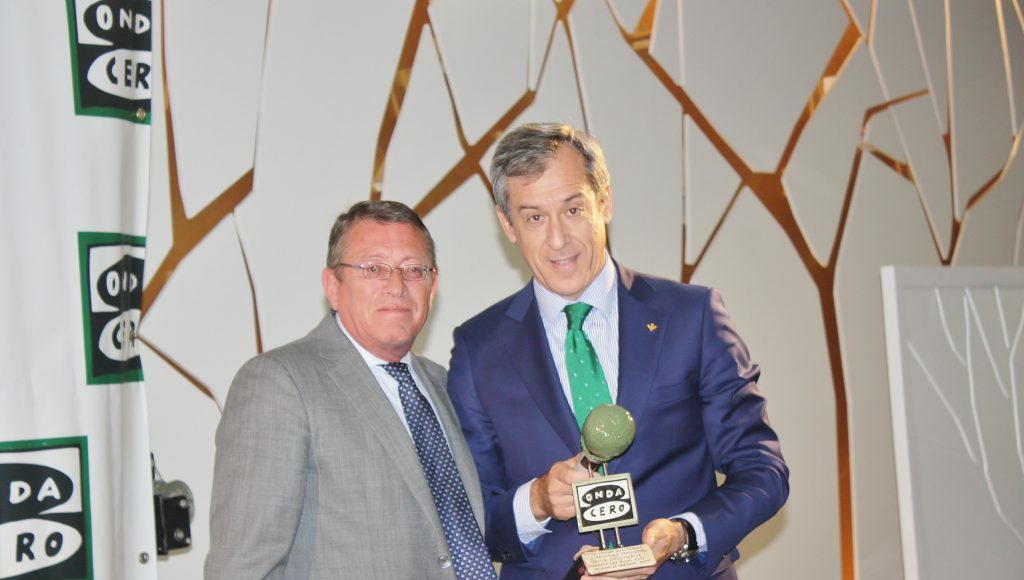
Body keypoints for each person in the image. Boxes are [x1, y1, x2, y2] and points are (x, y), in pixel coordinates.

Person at [447, 123, 789, 579]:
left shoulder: (691, 317)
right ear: (507, 224)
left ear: (604, 202)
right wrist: (538, 500)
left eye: (572, 209)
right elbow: (468, 516)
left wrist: (683, 534)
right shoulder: (478, 350)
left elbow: (762, 470)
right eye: (534, 218)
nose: (557, 239)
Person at [205, 200, 497, 580]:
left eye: (413, 270)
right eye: (374, 269)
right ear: (333, 285)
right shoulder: (279, 383)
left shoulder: (443, 384)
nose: (397, 286)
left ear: (432, 286)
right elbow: (242, 569)